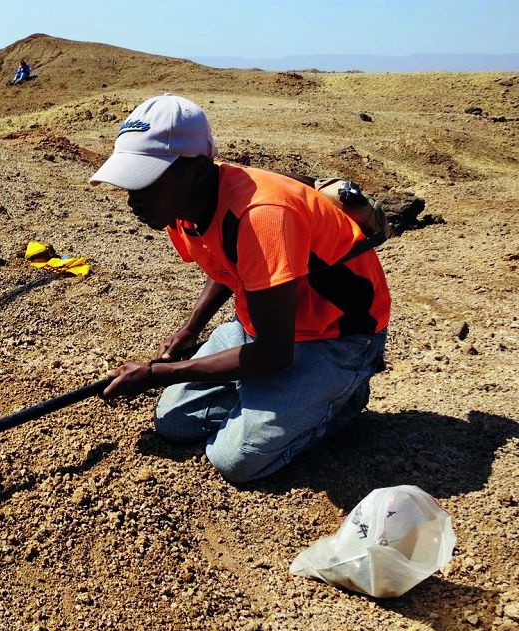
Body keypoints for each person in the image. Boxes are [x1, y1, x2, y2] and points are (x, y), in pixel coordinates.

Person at [90, 93, 390, 484]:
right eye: (131, 185)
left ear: (197, 168)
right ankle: (277, 393)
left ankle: (344, 396)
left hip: (334, 337)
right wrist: (191, 328)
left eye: (146, 182)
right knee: (174, 422)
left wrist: (158, 374)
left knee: (235, 459)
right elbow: (227, 261)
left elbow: (274, 352)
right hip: (263, 326)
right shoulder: (183, 209)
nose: (134, 200)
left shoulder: (262, 215)